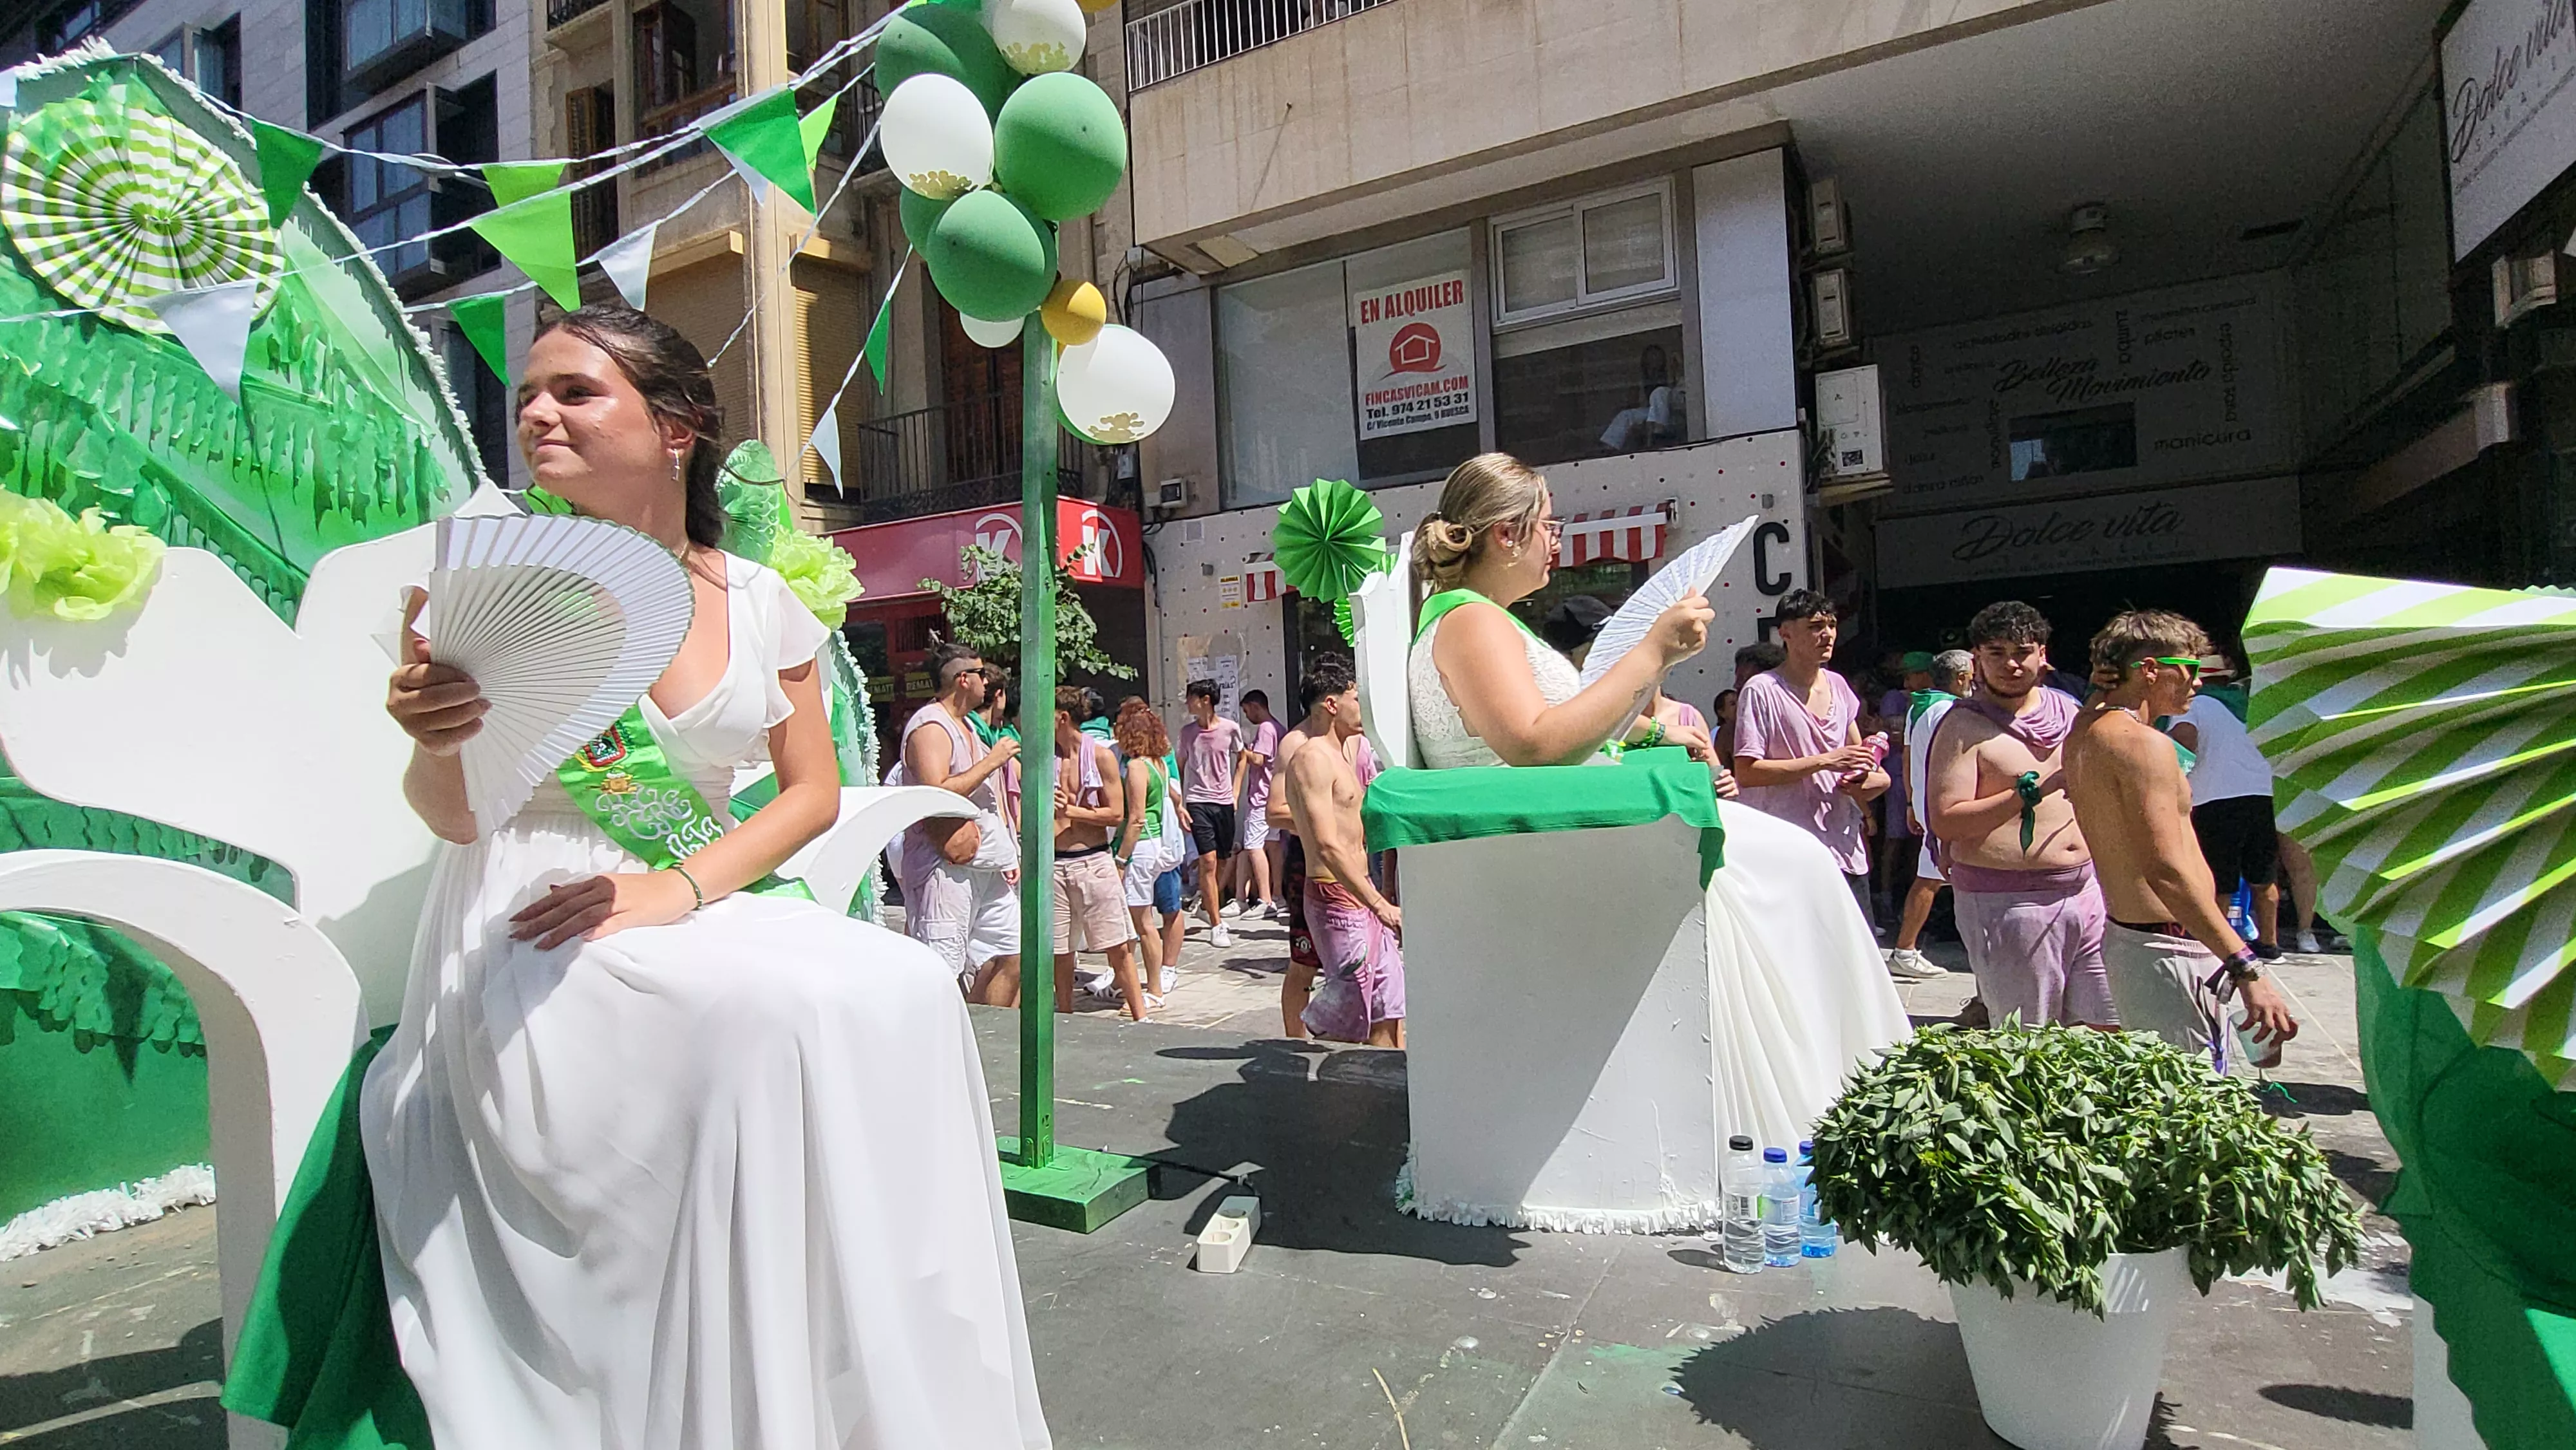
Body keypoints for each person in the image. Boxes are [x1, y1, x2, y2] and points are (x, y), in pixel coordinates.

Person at [369, 304, 1046, 1447]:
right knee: (771, 1020)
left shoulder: (758, 596)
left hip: (692, 890)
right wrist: (434, 737)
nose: (536, 410)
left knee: (910, 988)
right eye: (529, 392)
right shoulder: (489, 578)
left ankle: (884, 1388)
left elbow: (811, 794)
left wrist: (678, 889)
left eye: (576, 391)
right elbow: (453, 815)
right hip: (538, 908)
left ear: (676, 426)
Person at [1406, 452, 1908, 1151]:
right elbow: (1533, 742)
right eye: (1549, 523)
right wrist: (1649, 655)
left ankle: (1828, 1094)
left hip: (1570, 833)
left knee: (1799, 863)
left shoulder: (1481, 619)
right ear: (1505, 534)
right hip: (1563, 844)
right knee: (1797, 868)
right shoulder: (1473, 622)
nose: (1559, 539)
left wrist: (1652, 696)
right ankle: (1826, 1103)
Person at [2065, 610, 2298, 1065]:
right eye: (2190, 669)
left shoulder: (2087, 731)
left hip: (2143, 942)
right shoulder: (2141, 743)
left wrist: (2108, 678)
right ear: (2150, 670)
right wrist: (2246, 966)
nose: (2198, 682)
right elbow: (2166, 871)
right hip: (2167, 943)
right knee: (2193, 1112)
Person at [1926, 601, 2112, 1028]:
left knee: (2110, 1028)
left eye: (2022, 652)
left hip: (2086, 892)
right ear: (1977, 660)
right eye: (1997, 653)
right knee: (2028, 1040)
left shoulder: (2068, 711)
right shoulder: (1962, 727)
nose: (2011, 664)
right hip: (2009, 904)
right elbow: (1947, 821)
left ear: (2042, 655)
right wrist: (2030, 790)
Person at [1731, 589, 1889, 921]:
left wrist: (1875, 780)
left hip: (1843, 849)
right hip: (1787, 850)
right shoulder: (1762, 690)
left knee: (1855, 960)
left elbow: (1858, 763)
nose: (1828, 634)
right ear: (1785, 633)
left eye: (1831, 624)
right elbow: (1748, 772)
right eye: (1816, 625)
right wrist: (1826, 761)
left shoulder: (1839, 686)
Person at [1279, 660, 1405, 1046]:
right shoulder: (1311, 758)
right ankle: (1343, 1097)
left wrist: (1380, 889)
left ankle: (1386, 1086)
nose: (1362, 706)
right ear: (1332, 705)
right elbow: (1327, 845)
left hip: (1360, 890)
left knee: (1387, 1004)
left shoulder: (1346, 754)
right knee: (1352, 1012)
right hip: (1335, 896)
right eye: (1355, 698)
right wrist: (1379, 904)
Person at [898, 641, 1023, 1004]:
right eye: (982, 674)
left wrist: (1006, 853)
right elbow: (935, 792)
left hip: (987, 865)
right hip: (946, 866)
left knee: (1012, 954)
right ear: (964, 680)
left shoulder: (967, 725)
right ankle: (946, 1047)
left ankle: (981, 1036)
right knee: (941, 969)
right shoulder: (931, 725)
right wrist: (993, 760)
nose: (989, 683)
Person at [2165, 652, 2286, 961]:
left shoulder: (2196, 705)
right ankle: (2269, 945)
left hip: (2216, 798)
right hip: (2262, 795)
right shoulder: (2248, 707)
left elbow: (2184, 745)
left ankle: (2213, 944)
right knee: (2264, 877)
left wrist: (2170, 779)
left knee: (2219, 879)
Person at [1049, 686, 1150, 1020]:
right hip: (1056, 863)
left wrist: (1073, 813)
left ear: (1062, 717)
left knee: (1117, 944)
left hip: (1093, 860)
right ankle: (1064, 1014)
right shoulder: (1044, 758)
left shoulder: (1100, 756)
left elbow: (1116, 814)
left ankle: (1141, 1015)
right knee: (1059, 951)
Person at [1884, 648, 1971, 981]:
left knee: (1935, 877)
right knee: (1932, 879)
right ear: (1961, 678)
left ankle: (1908, 949)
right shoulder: (1952, 711)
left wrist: (1911, 802)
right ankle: (1905, 949)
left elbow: (1907, 758)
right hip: (1946, 808)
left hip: (1927, 805)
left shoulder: (1918, 709)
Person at [1112, 702, 1187, 999]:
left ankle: (1153, 990)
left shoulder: (1136, 766)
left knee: (1141, 925)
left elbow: (1137, 818)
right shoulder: (1158, 764)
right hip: (1157, 847)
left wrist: (1120, 859)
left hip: (1141, 848)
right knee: (1146, 923)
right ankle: (1144, 985)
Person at [1176, 679, 1245, 947]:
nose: (1187, 703)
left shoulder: (1230, 729)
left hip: (1224, 801)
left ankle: (1208, 903)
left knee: (1224, 860)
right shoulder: (1187, 733)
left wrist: (1236, 792)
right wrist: (1180, 801)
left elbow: (1243, 758)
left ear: (1205, 700)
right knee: (1208, 860)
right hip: (1197, 800)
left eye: (1191, 698)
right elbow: (1180, 766)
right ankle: (1216, 925)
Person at [1236, 689, 1285, 918]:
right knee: (1272, 845)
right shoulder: (1279, 728)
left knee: (1254, 846)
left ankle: (1265, 899)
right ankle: (1277, 895)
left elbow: (1259, 759)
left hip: (1261, 797)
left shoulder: (1266, 728)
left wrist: (1242, 749)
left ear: (1256, 706)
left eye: (1247, 711)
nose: (1247, 716)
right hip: (1274, 795)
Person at [1712, 686, 1740, 767]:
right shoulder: (1717, 733)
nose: (1739, 706)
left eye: (1740, 701)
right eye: (1733, 704)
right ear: (1721, 712)